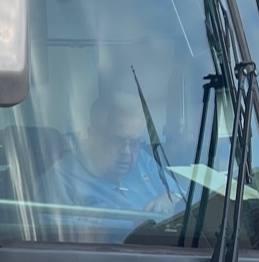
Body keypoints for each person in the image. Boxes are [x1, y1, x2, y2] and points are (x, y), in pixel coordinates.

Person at [38, 92, 174, 217]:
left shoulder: (144, 160)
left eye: (134, 143)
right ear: (93, 137)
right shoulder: (61, 180)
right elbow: (61, 237)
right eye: (118, 141)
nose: (127, 152)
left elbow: (179, 194)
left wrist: (169, 199)